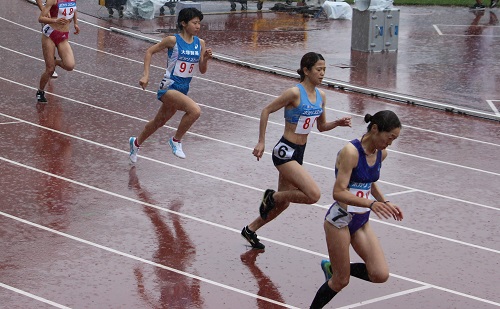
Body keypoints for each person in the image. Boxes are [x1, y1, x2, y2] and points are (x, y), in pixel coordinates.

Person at [241, 52, 352, 250]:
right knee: (313, 195)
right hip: (285, 151)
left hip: (300, 152)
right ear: (306, 70)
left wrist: (337, 123)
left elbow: (321, 127)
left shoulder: (321, 96)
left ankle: (250, 229)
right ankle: (271, 196)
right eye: (318, 69)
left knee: (285, 203)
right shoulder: (294, 93)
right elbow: (266, 110)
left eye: (324, 69)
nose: (322, 73)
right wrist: (261, 141)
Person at [309, 110, 404, 309]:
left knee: (380, 275)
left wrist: (385, 202)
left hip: (361, 222)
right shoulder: (351, 152)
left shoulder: (381, 154)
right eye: (390, 138)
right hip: (340, 221)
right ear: (375, 129)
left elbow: (370, 182)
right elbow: (339, 192)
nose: (390, 143)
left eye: (394, 139)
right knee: (340, 281)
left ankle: (333, 266)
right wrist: (371, 203)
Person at [128, 7, 212, 162]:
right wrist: (146, 75)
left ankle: (136, 142)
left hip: (183, 89)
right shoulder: (172, 40)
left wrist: (205, 59)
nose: (198, 26)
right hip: (169, 87)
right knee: (195, 111)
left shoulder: (200, 43)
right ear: (183, 23)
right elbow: (149, 52)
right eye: (194, 23)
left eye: (199, 23)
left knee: (159, 122)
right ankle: (176, 141)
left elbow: (202, 70)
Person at [36, 0, 80, 103]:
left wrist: (76, 23)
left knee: (70, 65)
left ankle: (55, 62)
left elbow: (74, 10)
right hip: (50, 34)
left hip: (63, 35)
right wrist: (55, 21)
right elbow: (41, 18)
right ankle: (40, 91)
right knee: (50, 69)